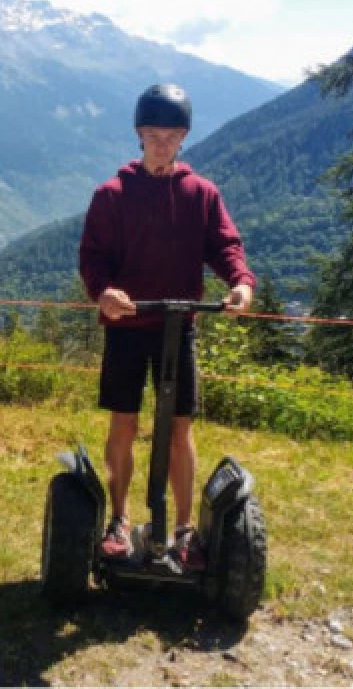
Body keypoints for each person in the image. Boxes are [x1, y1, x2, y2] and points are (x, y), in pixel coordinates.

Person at [78, 83, 255, 569]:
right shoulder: (112, 195)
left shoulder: (201, 194)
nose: (161, 144)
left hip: (180, 327)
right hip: (129, 326)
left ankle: (183, 529)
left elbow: (226, 247)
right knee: (124, 421)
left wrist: (240, 283)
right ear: (139, 135)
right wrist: (104, 293)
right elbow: (93, 258)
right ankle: (118, 519)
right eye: (153, 135)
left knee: (179, 428)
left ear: (183, 139)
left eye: (171, 136)